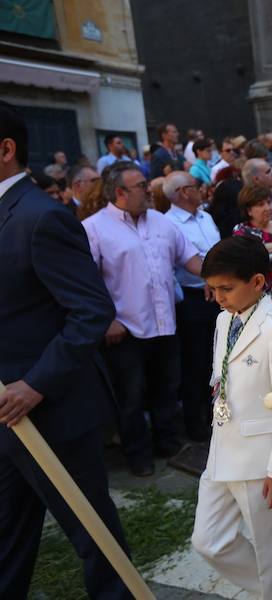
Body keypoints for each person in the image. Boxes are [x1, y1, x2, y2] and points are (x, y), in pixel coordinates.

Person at [0, 100, 133, 598]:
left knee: (93, 534)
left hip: (51, 410)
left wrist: (35, 385)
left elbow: (91, 311)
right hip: (6, 417)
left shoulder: (41, 217)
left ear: (6, 149)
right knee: (7, 535)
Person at [191, 235, 272, 600]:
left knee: (271, 549)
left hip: (260, 458)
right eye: (213, 289)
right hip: (222, 448)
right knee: (208, 541)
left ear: (257, 282)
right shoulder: (225, 320)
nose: (219, 297)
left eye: (226, 288)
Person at [82, 162, 203, 476]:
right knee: (131, 399)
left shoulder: (162, 223)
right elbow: (86, 282)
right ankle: (138, 456)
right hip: (126, 329)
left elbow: (192, 260)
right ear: (120, 192)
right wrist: (107, 320)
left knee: (166, 388)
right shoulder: (94, 228)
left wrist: (227, 272)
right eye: (142, 186)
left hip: (165, 324)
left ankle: (168, 444)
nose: (150, 190)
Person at [164, 171, 222, 440]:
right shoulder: (168, 224)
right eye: (196, 185)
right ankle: (195, 424)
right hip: (193, 298)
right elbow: (187, 261)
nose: (202, 188)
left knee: (219, 359)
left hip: (219, 295)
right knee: (195, 363)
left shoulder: (206, 216)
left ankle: (217, 415)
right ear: (183, 192)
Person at [232, 185, 272, 318]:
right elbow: (245, 252)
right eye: (261, 204)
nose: (268, 207)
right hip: (261, 301)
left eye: (268, 202)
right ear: (249, 210)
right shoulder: (242, 230)